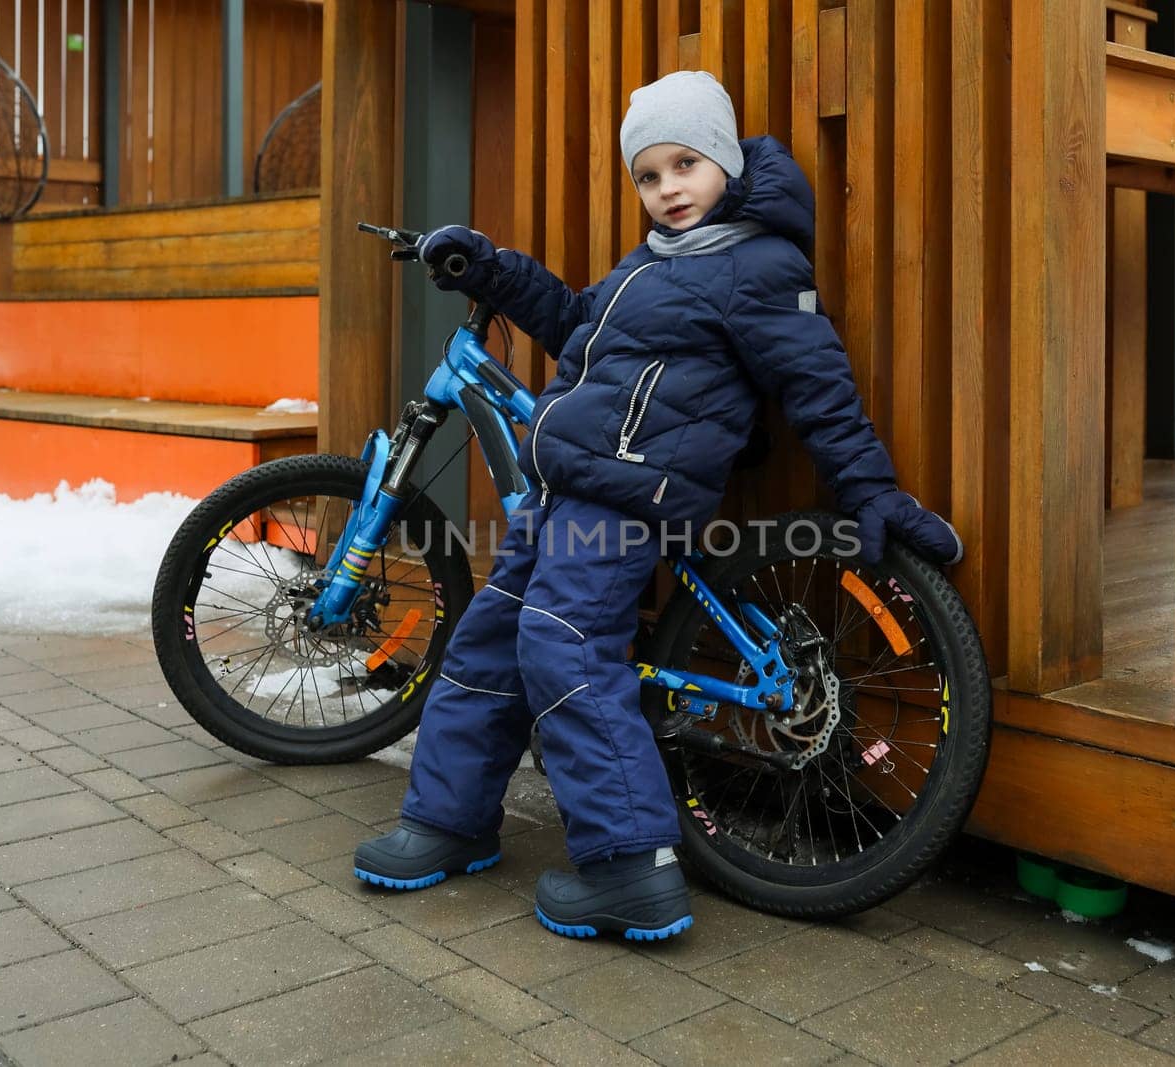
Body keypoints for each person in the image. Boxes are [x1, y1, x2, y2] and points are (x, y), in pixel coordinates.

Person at [352, 70, 962, 941]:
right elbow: (574, 323)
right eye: (649, 174)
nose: (670, 188)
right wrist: (489, 267)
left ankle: (630, 865)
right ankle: (449, 819)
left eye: (687, 164)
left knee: (563, 645)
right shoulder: (650, 266)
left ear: (723, 161)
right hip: (565, 490)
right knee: (491, 637)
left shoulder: (757, 264)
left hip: (631, 499)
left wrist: (869, 488)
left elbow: (818, 384)